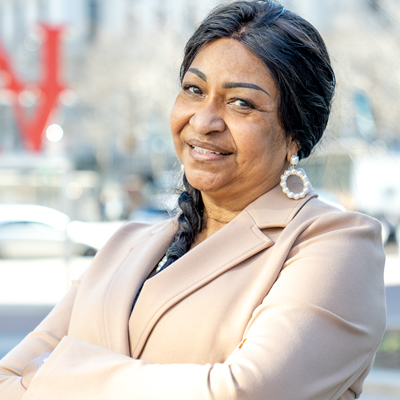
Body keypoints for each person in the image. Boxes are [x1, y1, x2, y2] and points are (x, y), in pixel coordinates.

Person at [0, 1, 386, 399]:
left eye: (241, 103)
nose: (203, 121)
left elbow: (244, 393)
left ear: (295, 136)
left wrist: (51, 376)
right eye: (194, 90)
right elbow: (4, 379)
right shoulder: (124, 246)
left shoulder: (334, 244)